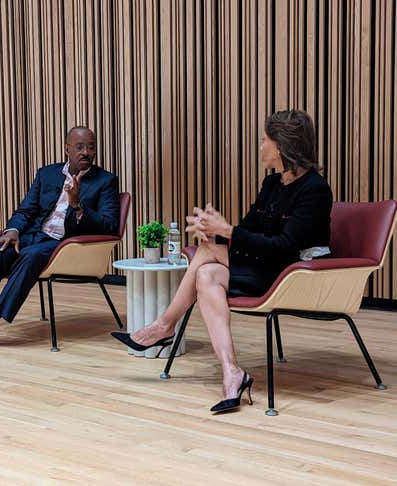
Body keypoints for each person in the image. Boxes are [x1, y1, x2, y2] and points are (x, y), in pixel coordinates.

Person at [111, 110, 333, 413]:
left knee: (207, 251)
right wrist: (217, 231)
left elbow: (284, 245)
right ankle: (232, 372)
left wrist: (225, 232)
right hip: (263, 265)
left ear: (281, 146)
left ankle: (163, 327)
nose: (261, 147)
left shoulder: (315, 189)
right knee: (205, 274)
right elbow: (249, 230)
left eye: (264, 140)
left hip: (292, 272)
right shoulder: (272, 185)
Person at [0, 126, 120, 353]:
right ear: (67, 149)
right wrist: (12, 231)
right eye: (79, 147)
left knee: (31, 255)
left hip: (65, 245)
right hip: (34, 236)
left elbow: (110, 224)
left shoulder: (105, 181)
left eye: (91, 147)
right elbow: (25, 211)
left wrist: (77, 206)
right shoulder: (46, 174)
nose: (86, 152)